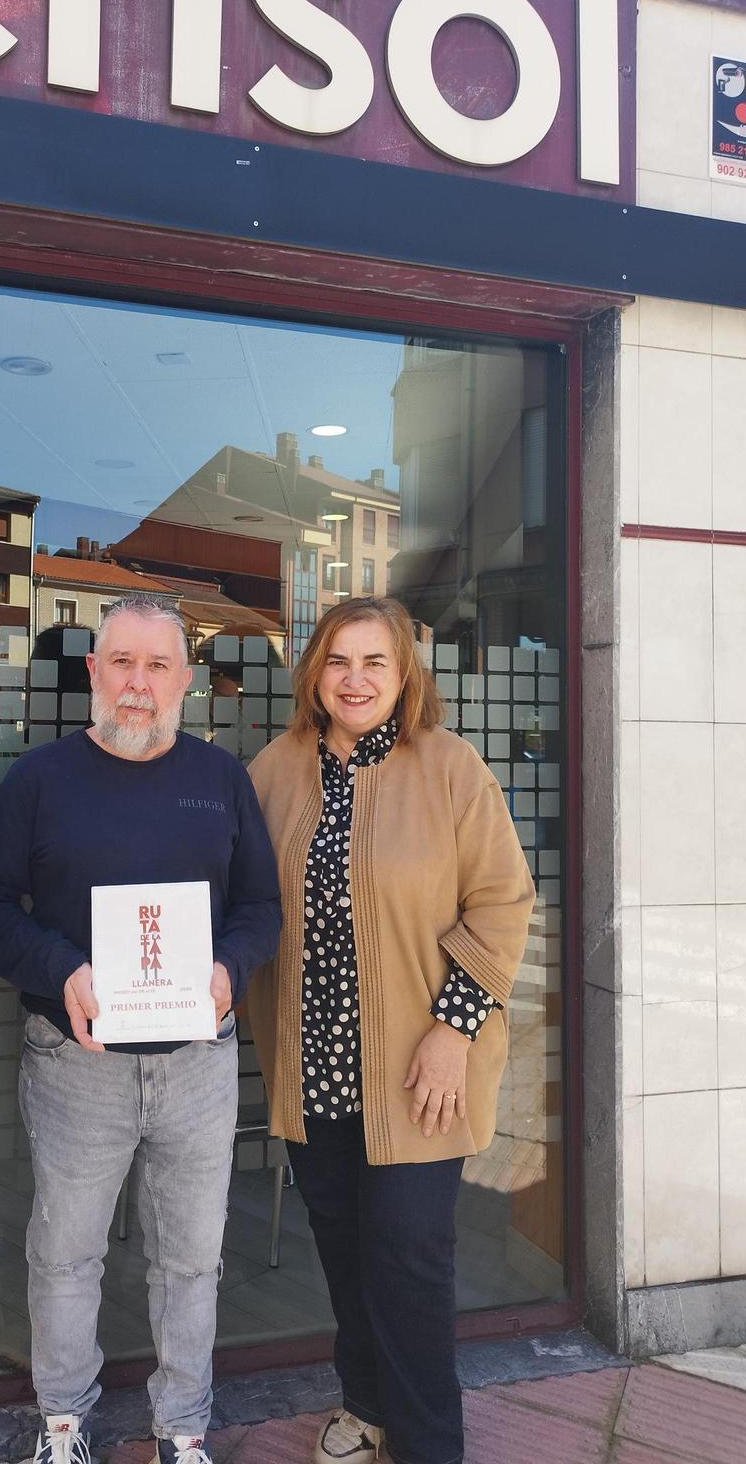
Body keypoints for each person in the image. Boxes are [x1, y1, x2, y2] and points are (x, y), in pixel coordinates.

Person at [0, 595, 281, 1464]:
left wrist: (229, 969)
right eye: (121, 663)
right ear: (92, 672)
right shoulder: (39, 780)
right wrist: (61, 971)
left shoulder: (221, 780)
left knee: (191, 1259)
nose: (138, 684)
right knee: (66, 1254)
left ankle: (182, 1430)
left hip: (197, 1061)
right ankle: (63, 1425)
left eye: (157, 666)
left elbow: (261, 906)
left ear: (186, 680)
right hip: (76, 1062)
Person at [247, 597, 534, 1464]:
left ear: (405, 674)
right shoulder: (273, 771)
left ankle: (428, 1443)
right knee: (342, 1248)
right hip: (314, 1066)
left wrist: (453, 1030)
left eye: (375, 662)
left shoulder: (450, 767)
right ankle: (367, 1406)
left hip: (420, 1070)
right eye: (339, 661)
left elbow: (502, 902)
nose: (355, 679)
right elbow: (235, 896)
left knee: (410, 1257)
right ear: (314, 674)